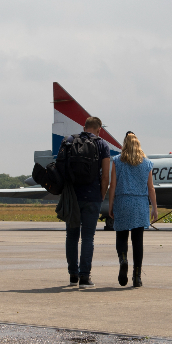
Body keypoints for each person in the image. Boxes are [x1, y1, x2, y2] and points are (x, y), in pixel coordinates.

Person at [59, 116, 111, 289]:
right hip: (92, 196)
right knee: (88, 237)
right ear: (99, 129)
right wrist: (101, 196)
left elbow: (60, 168)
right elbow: (105, 176)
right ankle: (84, 277)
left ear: (84, 127)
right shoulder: (102, 145)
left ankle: (73, 275)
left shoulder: (69, 141)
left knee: (71, 236)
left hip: (72, 197)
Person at [107, 132, 157, 288]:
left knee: (121, 236)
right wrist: (154, 207)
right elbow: (151, 188)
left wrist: (110, 205)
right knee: (138, 240)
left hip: (123, 202)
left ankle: (123, 259)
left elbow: (113, 185)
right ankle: (137, 276)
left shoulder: (117, 161)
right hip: (140, 204)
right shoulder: (147, 163)